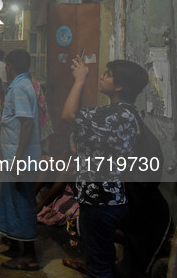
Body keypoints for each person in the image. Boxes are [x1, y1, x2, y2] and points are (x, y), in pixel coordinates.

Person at [61, 59, 148, 277]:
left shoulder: (118, 115)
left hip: (102, 200)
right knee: (102, 259)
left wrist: (80, 79)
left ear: (119, 86)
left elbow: (69, 115)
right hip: (103, 199)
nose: (102, 76)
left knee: (99, 265)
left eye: (108, 74)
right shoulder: (118, 113)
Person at [0, 49, 40, 271]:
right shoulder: (21, 85)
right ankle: (14, 244)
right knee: (12, 200)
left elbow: (27, 123)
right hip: (15, 156)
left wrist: (19, 159)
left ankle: (29, 256)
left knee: (22, 203)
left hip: (20, 158)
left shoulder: (20, 88)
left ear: (10, 65)